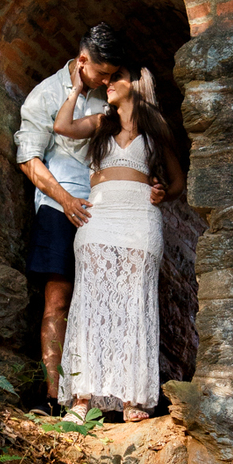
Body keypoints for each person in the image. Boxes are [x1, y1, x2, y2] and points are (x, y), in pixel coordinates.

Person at [53, 63, 184, 422]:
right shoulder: (100, 123)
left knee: (133, 303)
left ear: (136, 85)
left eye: (116, 79)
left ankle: (131, 399)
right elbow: (62, 126)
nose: (107, 84)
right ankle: (82, 399)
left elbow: (177, 182)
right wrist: (77, 89)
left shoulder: (155, 131)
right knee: (90, 302)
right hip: (101, 217)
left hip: (140, 220)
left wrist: (162, 193)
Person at [15, 24, 129, 411]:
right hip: (59, 207)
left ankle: (99, 397)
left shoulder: (113, 93)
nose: (108, 80)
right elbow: (28, 158)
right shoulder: (45, 94)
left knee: (104, 302)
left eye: (113, 74)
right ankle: (53, 397)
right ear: (83, 61)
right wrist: (64, 199)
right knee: (59, 300)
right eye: (102, 73)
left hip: (106, 208)